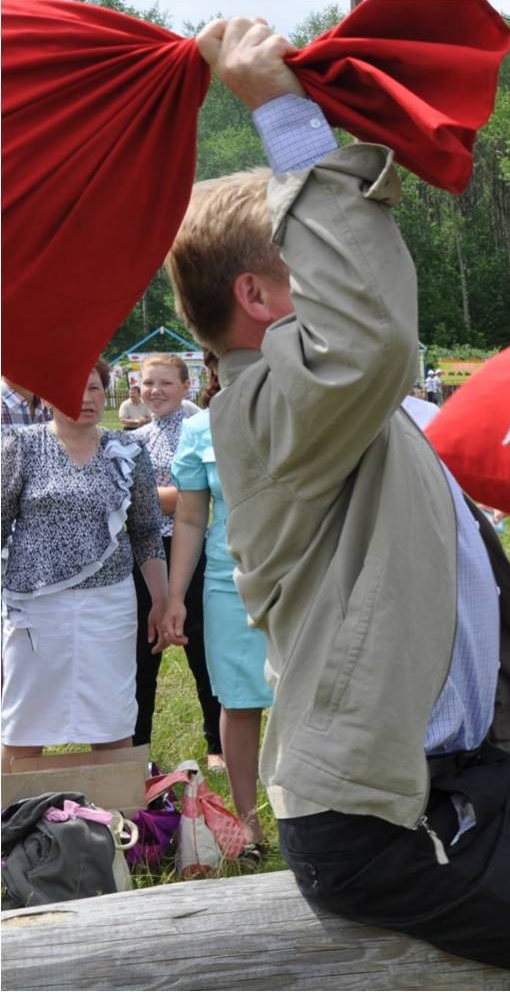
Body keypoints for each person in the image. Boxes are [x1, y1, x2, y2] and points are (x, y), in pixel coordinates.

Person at [165, 20, 510, 987]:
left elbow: (373, 329)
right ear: (259, 295)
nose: (347, 265)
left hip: (430, 799)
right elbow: (373, 333)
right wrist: (281, 116)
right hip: (386, 825)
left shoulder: (327, 410)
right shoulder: (264, 407)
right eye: (312, 256)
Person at [2, 359, 168, 762]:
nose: (88, 398)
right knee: (24, 720)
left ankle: (119, 817)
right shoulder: (20, 447)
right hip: (35, 611)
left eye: (95, 388)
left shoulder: (128, 450)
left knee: (111, 717)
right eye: (76, 388)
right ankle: (13, 817)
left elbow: (146, 532)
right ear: (50, 397)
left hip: (109, 607)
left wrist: (162, 601)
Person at [160, 352, 270, 864]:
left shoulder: (305, 413)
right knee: (239, 700)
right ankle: (248, 824)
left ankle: (319, 812)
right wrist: (176, 595)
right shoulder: (200, 429)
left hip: (307, 579)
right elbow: (189, 518)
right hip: (230, 584)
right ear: (215, 367)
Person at [131, 353, 222, 766]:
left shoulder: (200, 431)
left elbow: (192, 498)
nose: (156, 391)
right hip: (144, 554)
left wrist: (153, 499)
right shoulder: (133, 439)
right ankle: (137, 747)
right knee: (141, 657)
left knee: (202, 650)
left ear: (186, 386)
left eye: (166, 383)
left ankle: (217, 745)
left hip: (190, 552)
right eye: (149, 383)